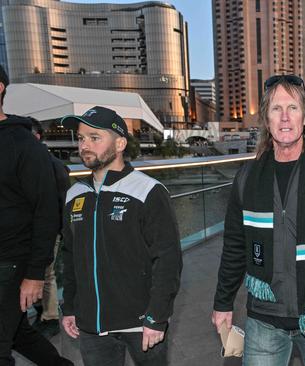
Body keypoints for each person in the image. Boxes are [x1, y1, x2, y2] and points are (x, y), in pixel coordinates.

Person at [211, 75, 305, 366]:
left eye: (292, 108)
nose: (284, 118)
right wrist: (223, 301)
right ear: (266, 120)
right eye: (276, 109)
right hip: (263, 319)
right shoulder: (246, 178)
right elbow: (234, 247)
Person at [60, 106, 183, 366]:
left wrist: (157, 317)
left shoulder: (148, 190)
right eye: (81, 138)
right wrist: (69, 307)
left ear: (120, 143)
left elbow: (168, 259)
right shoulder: (75, 195)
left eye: (94, 138)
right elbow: (70, 258)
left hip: (141, 322)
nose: (84, 145)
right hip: (92, 326)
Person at [0, 65, 72, 365]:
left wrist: (34, 274)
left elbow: (47, 212)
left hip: (12, 262)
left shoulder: (25, 145)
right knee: (17, 334)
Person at [29, 118, 71, 339]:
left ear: (36, 137)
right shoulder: (38, 162)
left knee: (46, 274)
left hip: (47, 230)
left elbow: (61, 199)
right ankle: (43, 312)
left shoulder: (50, 164)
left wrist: (61, 230)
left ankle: (50, 316)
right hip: (35, 230)